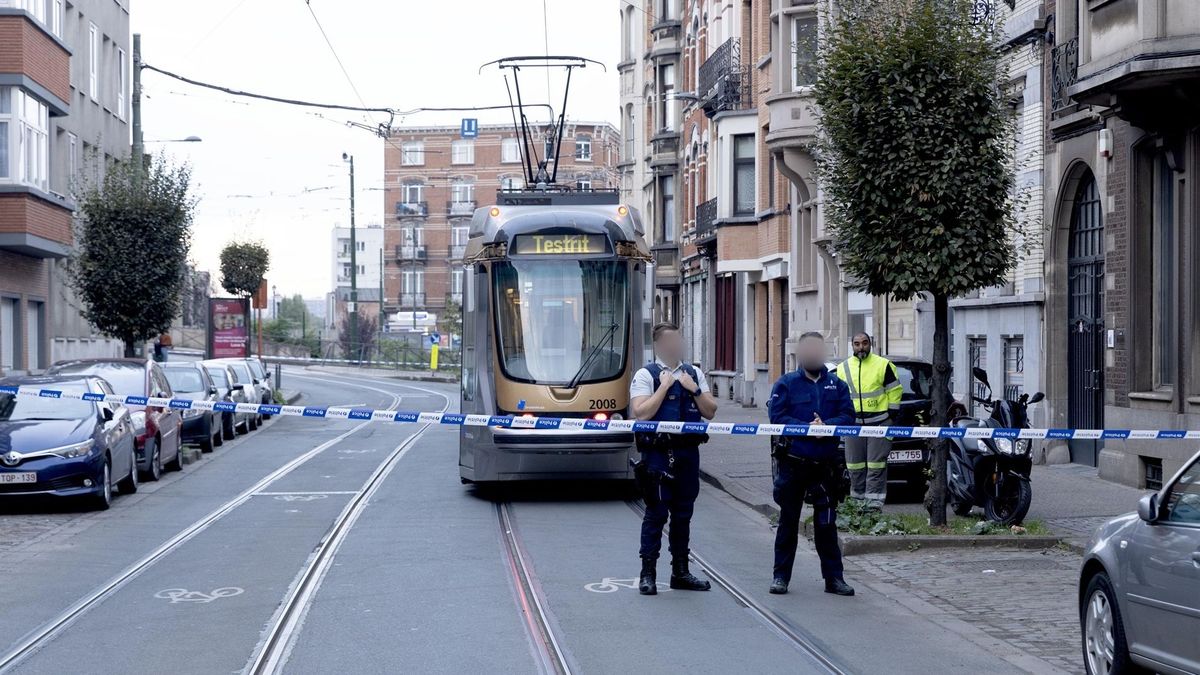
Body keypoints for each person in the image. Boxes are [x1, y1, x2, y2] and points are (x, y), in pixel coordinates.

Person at [630, 322, 718, 596]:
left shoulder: (694, 373)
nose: (675, 346)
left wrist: (693, 389)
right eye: (669, 342)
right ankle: (648, 574)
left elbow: (711, 411)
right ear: (658, 345)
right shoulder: (646, 374)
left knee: (683, 515)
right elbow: (641, 413)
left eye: (678, 341)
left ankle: (681, 571)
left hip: (688, 454)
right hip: (657, 455)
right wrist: (663, 388)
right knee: (656, 514)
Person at [767, 331, 857, 597]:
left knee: (827, 525)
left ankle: (834, 579)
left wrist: (827, 427)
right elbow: (778, 418)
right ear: (800, 354)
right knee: (788, 523)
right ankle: (780, 577)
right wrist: (807, 428)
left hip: (825, 465)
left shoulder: (837, 385)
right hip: (794, 464)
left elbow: (848, 416)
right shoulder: (786, 384)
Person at [836, 332, 902, 510]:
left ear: (870, 344)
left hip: (880, 422)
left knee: (876, 466)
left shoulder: (883, 365)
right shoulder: (842, 368)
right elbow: (836, 396)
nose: (861, 347)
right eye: (857, 344)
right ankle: (857, 507)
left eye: (864, 343)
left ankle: (873, 508)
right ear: (852, 346)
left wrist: (891, 416)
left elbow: (894, 391)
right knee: (854, 466)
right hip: (853, 425)